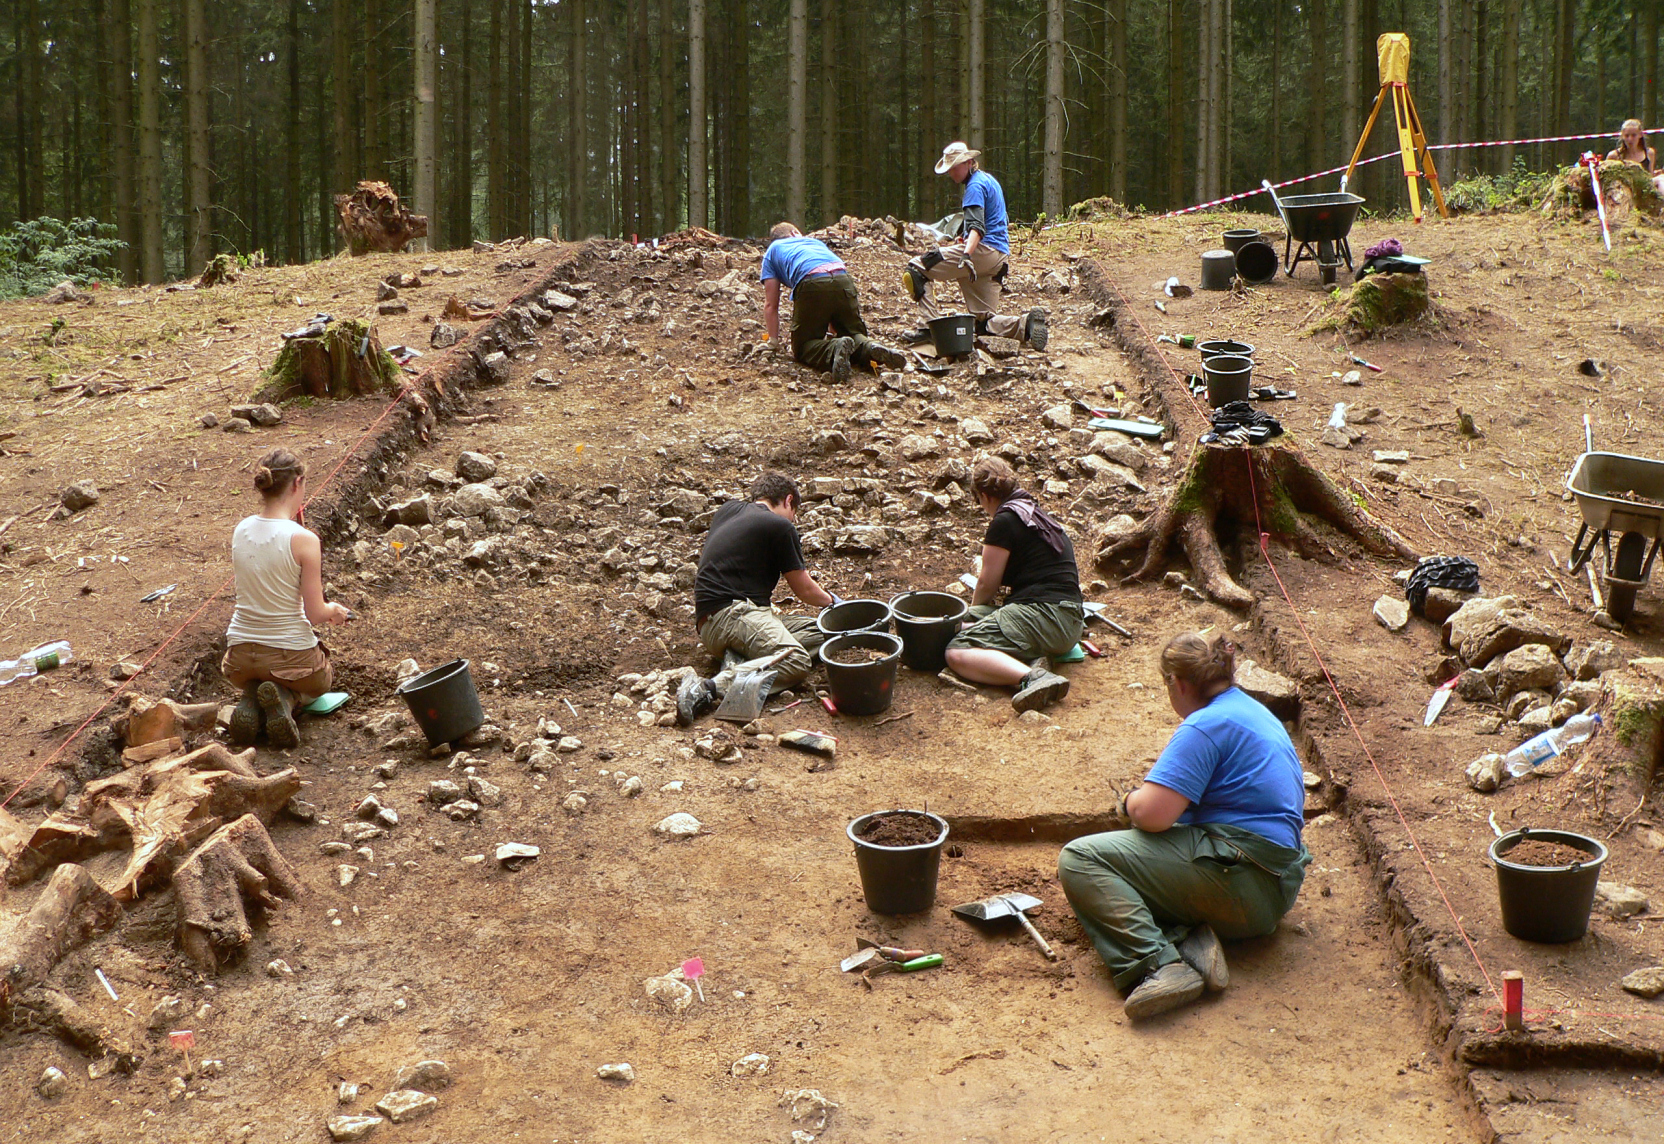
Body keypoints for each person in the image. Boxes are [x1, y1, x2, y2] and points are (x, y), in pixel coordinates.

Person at [1057, 631, 1311, 1021]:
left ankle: (1160, 965)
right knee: (1148, 860)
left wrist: (1127, 802)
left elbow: (1152, 816)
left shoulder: (1205, 725)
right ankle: (1193, 942)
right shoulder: (1252, 711)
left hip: (1240, 881)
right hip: (1274, 889)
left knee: (1081, 859)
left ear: (1177, 682)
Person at [678, 472, 839, 724]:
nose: (793, 518)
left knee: (825, 630)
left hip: (712, 621)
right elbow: (804, 590)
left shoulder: (728, 510)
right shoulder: (779, 526)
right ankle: (707, 688)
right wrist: (834, 603)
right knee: (796, 660)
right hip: (733, 615)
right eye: (794, 511)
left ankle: (743, 660)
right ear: (788, 501)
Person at [222, 449, 351, 749]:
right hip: (291, 659)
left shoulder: (240, 530)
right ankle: (287, 697)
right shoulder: (304, 540)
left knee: (261, 672)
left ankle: (252, 696)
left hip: (239, 661)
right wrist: (335, 610)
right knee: (323, 679)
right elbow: (316, 613)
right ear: (297, 484)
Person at [943, 457, 1081, 712]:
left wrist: (976, 617)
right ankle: (1033, 659)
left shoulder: (1005, 521)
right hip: (1066, 619)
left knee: (957, 649)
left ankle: (1033, 678)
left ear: (984, 496)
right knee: (958, 623)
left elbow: (986, 584)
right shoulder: (1034, 512)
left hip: (1047, 616)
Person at [902, 141, 1048, 351]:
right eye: (950, 168)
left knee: (916, 269)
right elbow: (991, 221)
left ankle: (927, 329)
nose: (952, 172)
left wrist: (967, 254)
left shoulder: (974, 187)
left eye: (956, 166)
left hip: (981, 253)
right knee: (983, 324)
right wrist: (966, 240)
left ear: (970, 162)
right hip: (999, 258)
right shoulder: (989, 181)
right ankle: (1025, 324)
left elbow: (977, 227)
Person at [760, 222, 906, 382]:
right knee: (852, 333)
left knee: (803, 347)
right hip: (843, 280)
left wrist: (772, 342)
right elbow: (831, 294)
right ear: (795, 233)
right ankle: (869, 347)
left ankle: (834, 348)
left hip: (811, 282)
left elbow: (771, 304)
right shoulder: (814, 243)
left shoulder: (773, 250)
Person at [1606, 118, 1664, 196]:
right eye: (1627, 136)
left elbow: (1650, 176)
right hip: (1623, 191)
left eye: (1634, 135)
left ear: (1640, 135)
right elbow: (1607, 180)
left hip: (1644, 188)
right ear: (1622, 136)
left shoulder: (1649, 153)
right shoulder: (1614, 155)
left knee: (1661, 179)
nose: (1630, 139)